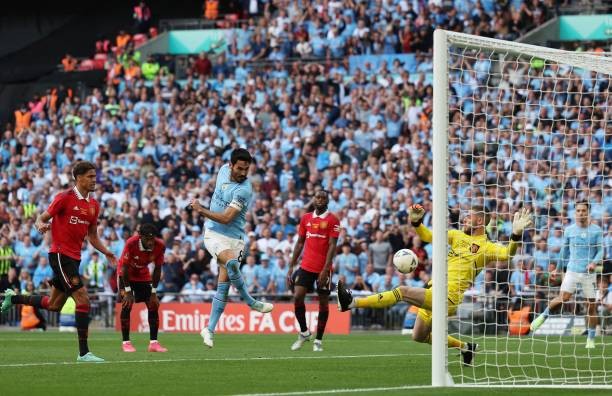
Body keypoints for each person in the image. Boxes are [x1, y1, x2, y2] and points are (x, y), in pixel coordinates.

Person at [337, 204, 532, 365]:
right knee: (419, 336)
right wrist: (416, 222)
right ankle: (466, 347)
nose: (464, 219)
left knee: (403, 291)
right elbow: (428, 236)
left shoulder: (486, 247)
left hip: (448, 296)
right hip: (433, 290)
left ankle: (352, 302)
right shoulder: (456, 236)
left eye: (468, 216)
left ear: (480, 221)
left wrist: (515, 236)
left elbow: (507, 254)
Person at [1, 161, 117, 362]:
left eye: (94, 176)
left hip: (75, 258)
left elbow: (92, 236)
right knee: (83, 299)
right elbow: (42, 217)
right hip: (60, 255)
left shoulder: (94, 206)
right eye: (90, 176)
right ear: (78, 178)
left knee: (54, 305)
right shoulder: (64, 198)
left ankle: (14, 298)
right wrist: (40, 225)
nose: (94, 180)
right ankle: (84, 353)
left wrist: (107, 252)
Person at [190, 148, 273, 348]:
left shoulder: (244, 189)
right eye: (240, 168)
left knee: (224, 286)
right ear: (231, 165)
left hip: (235, 238)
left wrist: (201, 209)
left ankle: (209, 329)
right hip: (213, 234)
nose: (243, 173)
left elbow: (227, 218)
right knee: (231, 263)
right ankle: (251, 302)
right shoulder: (221, 171)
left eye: (246, 169)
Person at [530, 201, 603, 348]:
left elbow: (601, 250)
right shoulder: (569, 230)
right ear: (575, 213)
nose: (581, 213)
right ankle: (543, 316)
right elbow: (564, 251)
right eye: (578, 211)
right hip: (572, 270)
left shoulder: (596, 230)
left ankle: (591, 339)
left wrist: (594, 263)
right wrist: (557, 269)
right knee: (563, 298)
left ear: (588, 212)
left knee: (591, 307)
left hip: (589, 273)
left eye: (583, 210)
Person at [288, 190, 340, 352]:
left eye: (323, 197)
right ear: (313, 199)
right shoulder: (306, 218)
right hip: (306, 266)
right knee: (297, 297)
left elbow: (332, 246)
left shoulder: (333, 219)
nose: (319, 200)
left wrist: (326, 269)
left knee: (323, 302)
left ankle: (318, 340)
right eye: (317, 197)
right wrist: (291, 265)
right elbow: (299, 242)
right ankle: (304, 332)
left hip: (323, 269)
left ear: (327, 200)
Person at [117, 223, 168, 353]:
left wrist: (154, 292)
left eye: (152, 239)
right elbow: (124, 268)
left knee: (153, 304)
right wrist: (128, 291)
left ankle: (153, 343)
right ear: (140, 237)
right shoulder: (131, 243)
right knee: (127, 304)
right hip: (125, 274)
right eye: (147, 239)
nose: (151, 242)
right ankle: (126, 343)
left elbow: (157, 269)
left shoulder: (160, 245)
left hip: (142, 274)